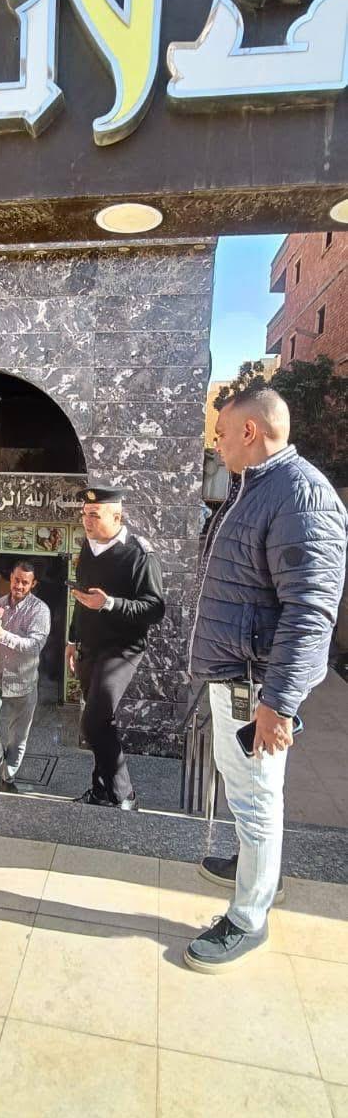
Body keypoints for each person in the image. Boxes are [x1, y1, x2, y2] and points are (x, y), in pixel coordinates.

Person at [186, 387, 348, 973]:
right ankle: (257, 868)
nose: (217, 444)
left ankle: (249, 917)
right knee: (245, 791)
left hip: (257, 685)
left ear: (250, 432)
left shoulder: (301, 496)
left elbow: (311, 612)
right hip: (238, 676)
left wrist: (278, 703)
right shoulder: (255, 488)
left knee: (256, 799)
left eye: (222, 433)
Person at [66, 484, 165, 811]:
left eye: (94, 515)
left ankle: (125, 795)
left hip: (122, 650)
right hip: (89, 648)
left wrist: (110, 604)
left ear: (117, 517)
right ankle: (101, 791)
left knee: (94, 722)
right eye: (85, 514)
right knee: (100, 724)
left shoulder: (140, 554)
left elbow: (155, 609)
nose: (87, 521)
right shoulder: (87, 547)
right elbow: (82, 599)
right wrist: (72, 639)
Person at [0, 561, 51, 788]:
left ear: (33, 584)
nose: (19, 586)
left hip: (23, 682)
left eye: (25, 582)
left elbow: (35, 645)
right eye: (16, 580)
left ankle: (8, 777)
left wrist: (4, 636)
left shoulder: (40, 610)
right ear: (11, 578)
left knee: (18, 738)